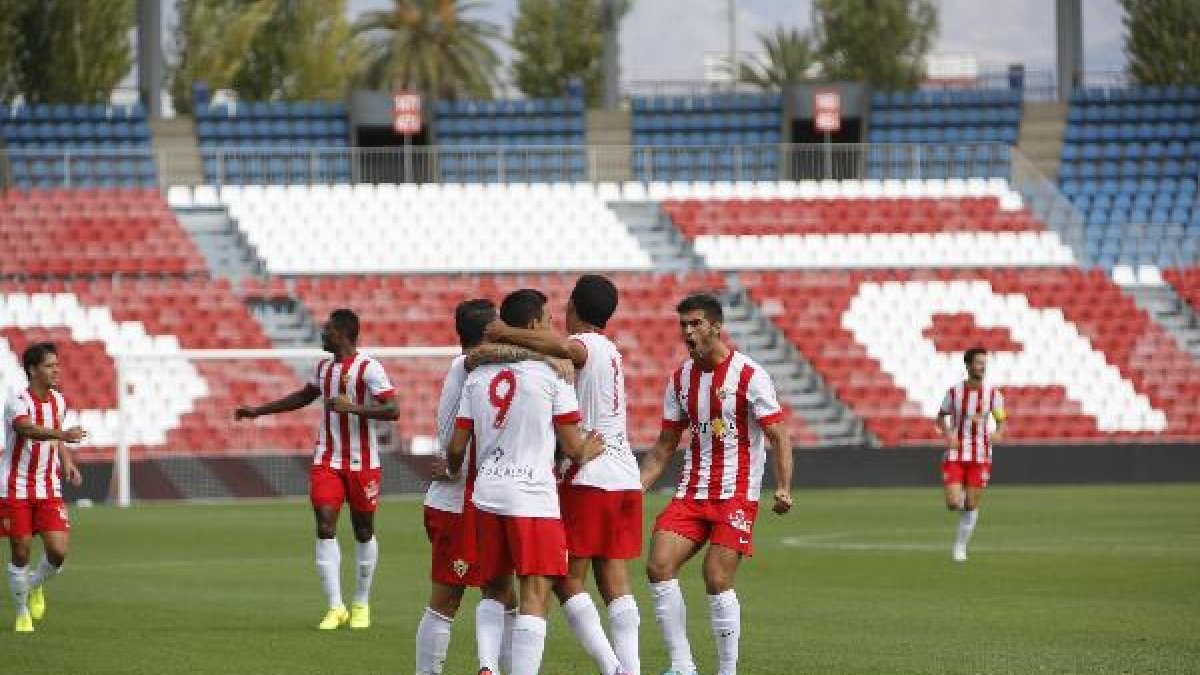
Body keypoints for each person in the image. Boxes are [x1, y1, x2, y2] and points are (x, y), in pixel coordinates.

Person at [483, 274, 641, 674]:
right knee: (613, 577)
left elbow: (562, 347)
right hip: (624, 476)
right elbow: (558, 351)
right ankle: (630, 667)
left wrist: (507, 332)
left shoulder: (583, 346)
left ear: (573, 308)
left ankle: (614, 667)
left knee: (563, 577)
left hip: (590, 473)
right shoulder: (612, 352)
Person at [444, 289, 604, 675]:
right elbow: (570, 445)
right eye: (547, 320)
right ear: (533, 325)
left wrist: (452, 470)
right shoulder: (553, 376)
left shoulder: (477, 376)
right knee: (536, 592)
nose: (552, 326)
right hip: (532, 496)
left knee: (495, 588)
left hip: (487, 493)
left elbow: (456, 447)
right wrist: (587, 448)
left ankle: (486, 666)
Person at [639, 293, 794, 675]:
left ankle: (727, 671)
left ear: (715, 326)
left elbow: (778, 435)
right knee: (658, 566)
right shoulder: (679, 380)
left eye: (695, 324)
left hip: (736, 494)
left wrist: (784, 486)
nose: (687, 333)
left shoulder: (749, 375)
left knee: (716, 576)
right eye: (683, 325)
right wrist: (634, 490)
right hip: (693, 492)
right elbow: (663, 448)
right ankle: (682, 666)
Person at [235, 309, 397, 630]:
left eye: (327, 331)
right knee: (325, 525)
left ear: (343, 334)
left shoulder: (369, 368)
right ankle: (335, 606)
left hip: (363, 463)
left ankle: (361, 603)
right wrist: (258, 411)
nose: (322, 335)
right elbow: (302, 396)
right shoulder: (322, 367)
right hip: (327, 459)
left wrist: (353, 408)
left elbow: (392, 409)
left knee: (363, 530)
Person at [418, 298, 517, 675]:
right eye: (501, 325)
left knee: (503, 594)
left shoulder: (482, 370)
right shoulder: (468, 365)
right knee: (447, 601)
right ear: (489, 331)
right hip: (457, 502)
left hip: (483, 499)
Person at [3, 342, 87, 633]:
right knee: (21, 552)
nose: (56, 370)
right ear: (33, 369)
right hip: (15, 488)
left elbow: (54, 440)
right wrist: (61, 433)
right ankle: (22, 612)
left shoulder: (59, 402)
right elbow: (26, 429)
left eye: (57, 365)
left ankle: (34, 586)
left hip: (48, 487)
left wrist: (66, 462)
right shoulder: (17, 401)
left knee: (58, 551)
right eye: (50, 366)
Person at [936, 347, 1008, 563]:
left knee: (971, 505)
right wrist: (948, 434)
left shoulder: (993, 395)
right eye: (978, 363)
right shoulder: (954, 393)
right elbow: (941, 417)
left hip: (981, 455)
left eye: (984, 363)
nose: (982, 367)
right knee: (952, 502)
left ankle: (960, 546)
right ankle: (962, 506)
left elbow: (1002, 420)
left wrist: (998, 433)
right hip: (956, 453)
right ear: (967, 365)